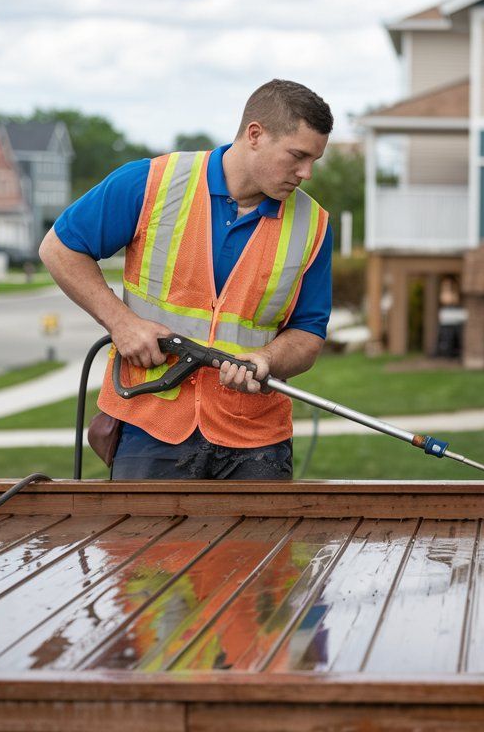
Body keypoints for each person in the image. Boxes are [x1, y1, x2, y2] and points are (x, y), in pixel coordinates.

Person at [40, 79, 333, 480]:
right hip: (150, 421)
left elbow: (308, 334)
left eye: (314, 160)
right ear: (255, 135)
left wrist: (268, 359)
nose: (307, 173)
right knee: (143, 545)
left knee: (258, 547)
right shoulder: (151, 183)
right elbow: (59, 249)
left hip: (255, 438)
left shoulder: (313, 224)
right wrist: (121, 323)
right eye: (298, 156)